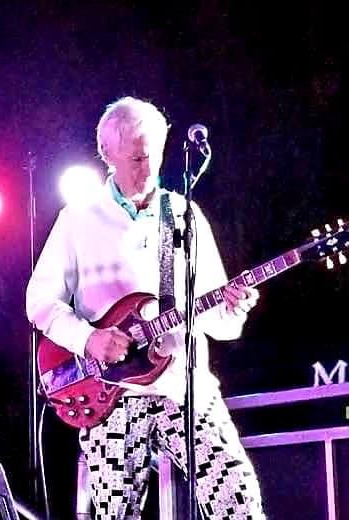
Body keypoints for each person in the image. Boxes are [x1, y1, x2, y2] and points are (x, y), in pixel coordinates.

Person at [26, 96, 266, 519]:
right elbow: (39, 302)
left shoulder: (185, 214)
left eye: (155, 154)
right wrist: (88, 339)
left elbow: (219, 324)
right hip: (111, 396)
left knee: (239, 502)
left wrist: (234, 307)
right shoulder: (78, 219)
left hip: (185, 388)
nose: (148, 167)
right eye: (137, 158)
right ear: (107, 153)